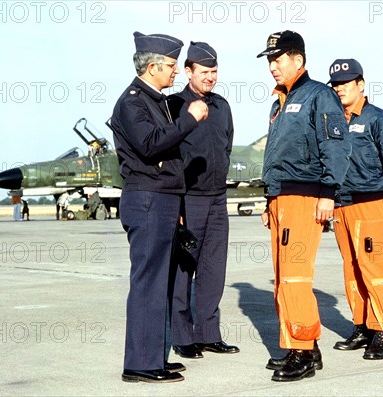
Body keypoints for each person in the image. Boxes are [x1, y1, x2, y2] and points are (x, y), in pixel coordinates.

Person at [110, 31, 208, 383]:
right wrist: (189, 120)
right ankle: (139, 364)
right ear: (152, 66)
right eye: (170, 65)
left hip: (163, 199)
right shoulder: (133, 102)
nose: (177, 72)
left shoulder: (156, 100)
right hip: (147, 199)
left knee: (160, 283)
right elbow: (151, 146)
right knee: (148, 282)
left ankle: (153, 357)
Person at [256, 31, 351, 382]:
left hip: (305, 197)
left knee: (295, 275)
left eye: (277, 60)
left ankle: (303, 351)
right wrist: (269, 198)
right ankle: (304, 347)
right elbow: (276, 155)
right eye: (269, 61)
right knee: (283, 277)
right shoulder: (280, 102)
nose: (272, 67)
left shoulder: (319, 96)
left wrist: (329, 192)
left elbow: (335, 146)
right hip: (282, 198)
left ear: (297, 60)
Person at [327, 59, 383, 360]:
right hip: (341, 205)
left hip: (369, 203)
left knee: (374, 268)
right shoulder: (333, 121)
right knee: (351, 269)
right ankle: (362, 325)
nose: (339, 89)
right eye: (335, 85)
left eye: (345, 84)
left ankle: (382, 330)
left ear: (360, 85)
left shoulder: (379, 120)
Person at [169, 42, 239, 359]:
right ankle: (183, 337)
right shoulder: (173, 106)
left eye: (214, 71)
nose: (210, 78)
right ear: (188, 71)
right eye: (204, 72)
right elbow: (168, 155)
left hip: (218, 200)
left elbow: (225, 149)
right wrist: (177, 205)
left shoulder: (222, 107)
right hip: (189, 200)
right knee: (184, 271)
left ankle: (208, 334)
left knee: (213, 271)